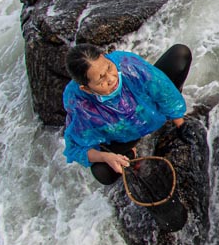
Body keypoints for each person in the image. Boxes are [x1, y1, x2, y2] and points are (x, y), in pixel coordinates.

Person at [63, 44, 191, 185]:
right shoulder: (79, 103)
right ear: (86, 89)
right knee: (103, 173)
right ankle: (130, 153)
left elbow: (160, 87)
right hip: (121, 136)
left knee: (180, 54)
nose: (111, 79)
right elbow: (75, 147)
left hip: (150, 111)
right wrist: (106, 157)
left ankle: (165, 116)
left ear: (104, 56)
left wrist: (179, 122)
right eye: (101, 80)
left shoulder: (127, 64)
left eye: (109, 67)